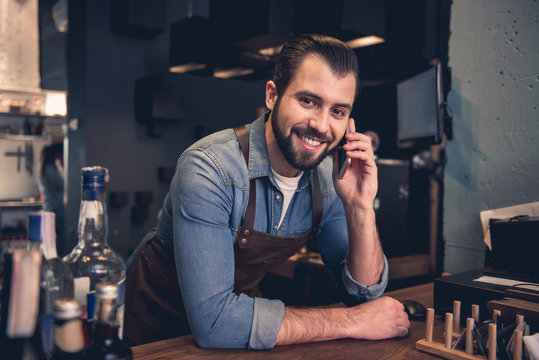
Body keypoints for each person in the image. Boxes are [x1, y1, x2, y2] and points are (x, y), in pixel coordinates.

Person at [125, 34, 410, 349]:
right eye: (308, 101)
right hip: (152, 330)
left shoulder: (330, 181)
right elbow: (214, 321)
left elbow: (362, 295)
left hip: (234, 334)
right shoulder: (210, 169)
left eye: (338, 111)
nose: (321, 125)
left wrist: (360, 207)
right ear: (273, 95)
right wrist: (353, 322)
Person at [38, 142, 64, 246]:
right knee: (57, 240)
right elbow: (62, 185)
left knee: (52, 239)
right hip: (56, 207)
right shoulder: (50, 168)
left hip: (50, 206)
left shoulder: (44, 168)